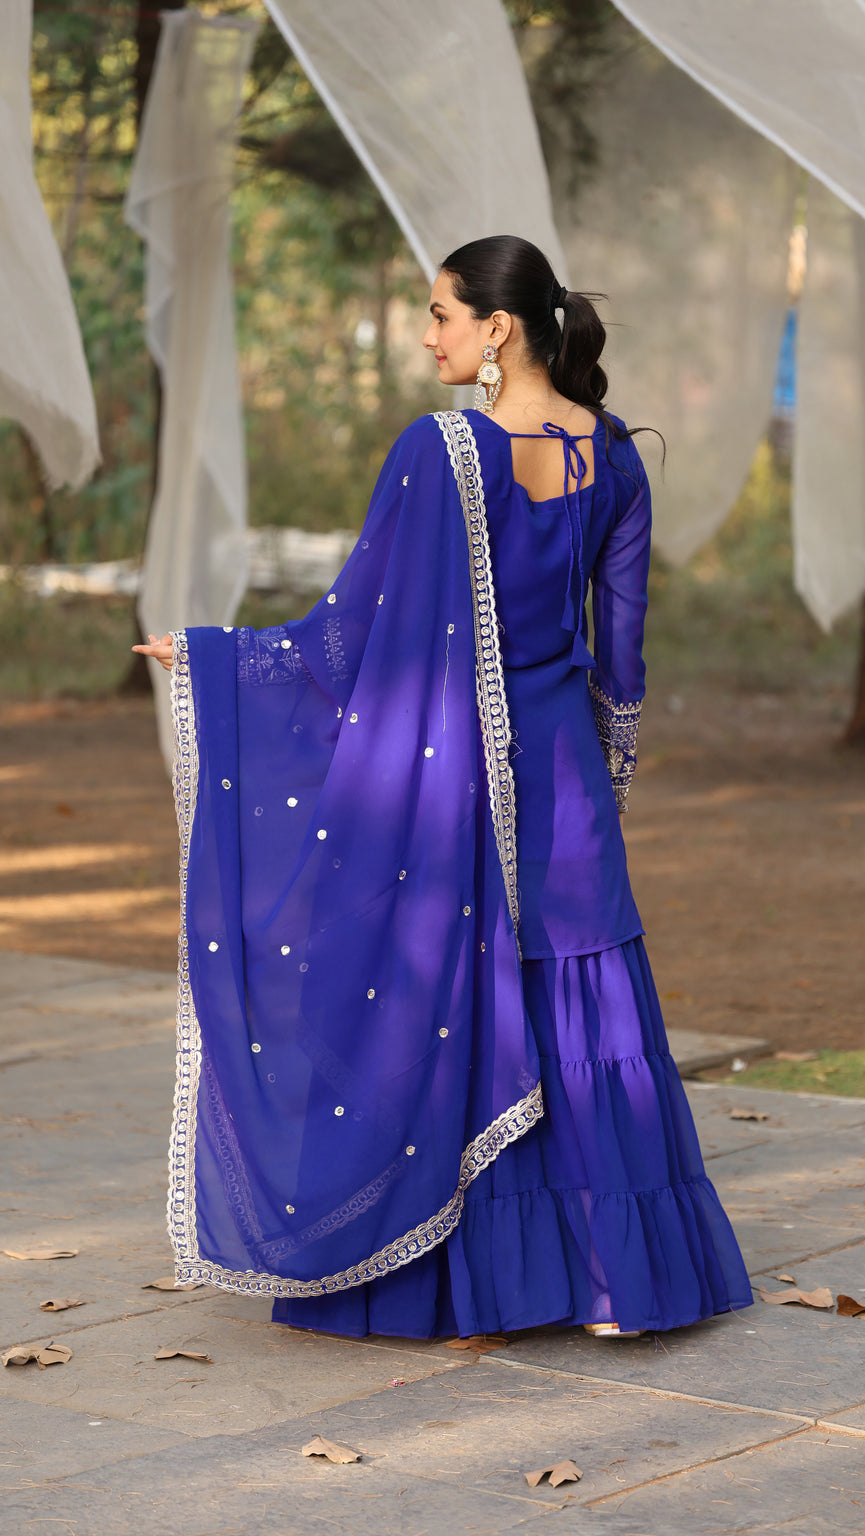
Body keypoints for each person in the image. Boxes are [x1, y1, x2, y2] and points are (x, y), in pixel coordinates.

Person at [135, 234, 752, 1340]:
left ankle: (479, 1280)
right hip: (559, 758)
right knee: (582, 991)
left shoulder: (444, 450)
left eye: (440, 314)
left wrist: (224, 660)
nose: (427, 335)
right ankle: (616, 1282)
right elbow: (622, 649)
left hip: (455, 760)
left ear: (494, 331)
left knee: (460, 990)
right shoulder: (611, 456)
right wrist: (605, 774)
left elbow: (352, 631)